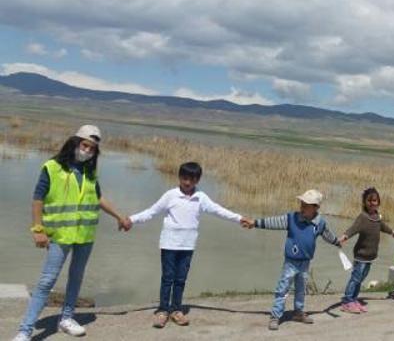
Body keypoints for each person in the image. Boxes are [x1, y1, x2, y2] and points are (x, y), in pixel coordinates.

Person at [14, 125, 129, 341]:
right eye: (85, 145)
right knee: (47, 281)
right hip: (59, 235)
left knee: (76, 277)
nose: (87, 151)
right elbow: (38, 199)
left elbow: (98, 197)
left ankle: (66, 318)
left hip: (84, 235)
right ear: (75, 143)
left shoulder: (89, 172)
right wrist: (37, 230)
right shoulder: (52, 167)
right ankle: (25, 330)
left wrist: (119, 216)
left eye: (92, 148)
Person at [123, 162, 251, 328]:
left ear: (197, 180)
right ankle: (163, 311)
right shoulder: (170, 195)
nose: (188, 182)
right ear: (179, 177)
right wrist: (131, 220)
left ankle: (176, 310)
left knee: (181, 279)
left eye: (192, 179)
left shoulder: (201, 197)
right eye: (185, 178)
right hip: (169, 244)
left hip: (188, 245)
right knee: (168, 278)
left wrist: (239, 218)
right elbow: (151, 212)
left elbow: (218, 210)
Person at [247, 189, 341, 331]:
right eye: (301, 203)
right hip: (290, 262)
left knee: (301, 289)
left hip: (305, 263)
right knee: (282, 288)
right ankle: (275, 316)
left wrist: (337, 242)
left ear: (316, 207)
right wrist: (255, 223)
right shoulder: (292, 218)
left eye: (306, 205)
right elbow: (273, 222)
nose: (302, 207)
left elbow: (328, 235)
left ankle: (298, 312)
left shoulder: (320, 223)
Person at [338, 187, 394, 314]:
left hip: (370, 256)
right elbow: (353, 228)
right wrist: (344, 236)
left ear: (379, 202)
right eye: (369, 200)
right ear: (364, 202)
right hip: (361, 255)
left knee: (361, 278)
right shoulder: (363, 217)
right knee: (355, 278)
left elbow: (383, 227)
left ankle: (354, 299)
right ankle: (347, 301)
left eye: (375, 200)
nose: (372, 203)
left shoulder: (377, 217)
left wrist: (392, 232)